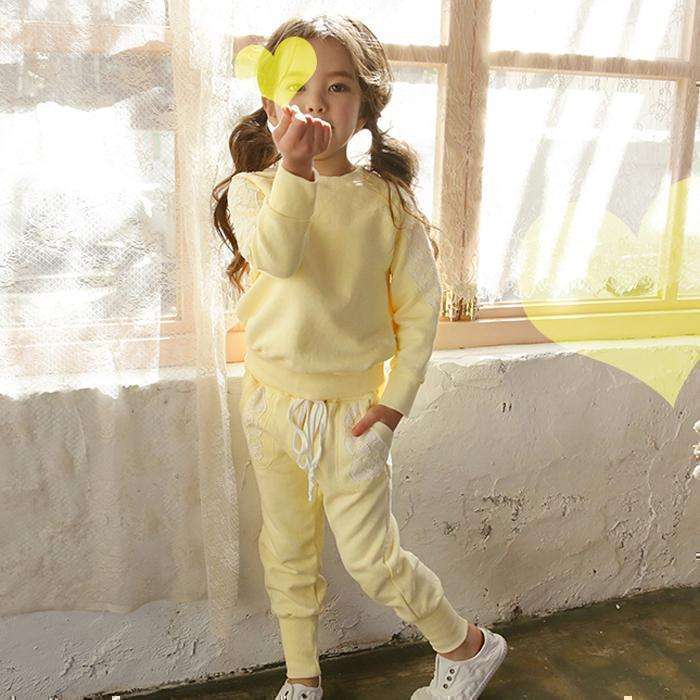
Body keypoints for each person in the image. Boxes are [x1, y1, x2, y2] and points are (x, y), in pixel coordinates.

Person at [212, 14, 508, 700]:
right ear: (270, 103)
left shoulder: (387, 205)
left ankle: (468, 646)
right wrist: (293, 170)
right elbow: (279, 255)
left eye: (338, 86)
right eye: (299, 86)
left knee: (374, 558)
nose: (316, 102)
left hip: (353, 414)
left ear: (366, 107)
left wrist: (391, 409)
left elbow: (420, 315)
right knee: (286, 548)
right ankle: (302, 677)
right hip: (270, 404)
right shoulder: (254, 192)